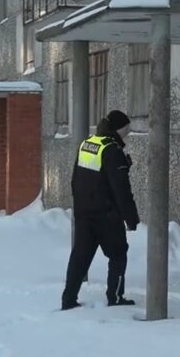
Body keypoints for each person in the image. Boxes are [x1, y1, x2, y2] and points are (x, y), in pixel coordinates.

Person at [61, 110, 140, 310]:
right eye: (127, 130)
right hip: (107, 215)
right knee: (118, 254)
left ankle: (68, 299)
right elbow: (121, 190)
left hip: (84, 213)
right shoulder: (112, 150)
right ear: (119, 129)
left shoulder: (87, 144)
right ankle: (115, 297)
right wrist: (131, 218)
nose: (128, 134)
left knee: (80, 256)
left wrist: (80, 205)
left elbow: (75, 179)